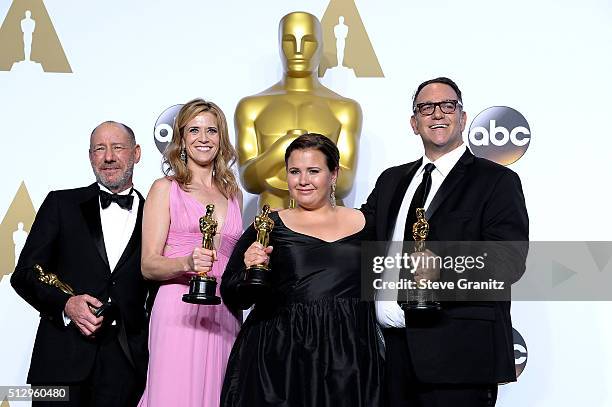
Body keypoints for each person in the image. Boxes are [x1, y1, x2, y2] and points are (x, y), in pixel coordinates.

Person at [361, 77, 529, 407]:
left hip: (459, 357)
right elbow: (358, 235)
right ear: (414, 122)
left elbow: (509, 261)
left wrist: (444, 269)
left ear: (463, 118)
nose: (437, 114)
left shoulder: (496, 181)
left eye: (447, 105)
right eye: (426, 107)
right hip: (389, 355)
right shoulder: (392, 179)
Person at [220, 133, 382, 407]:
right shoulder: (268, 225)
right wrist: (248, 270)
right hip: (281, 358)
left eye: (313, 171)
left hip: (351, 357)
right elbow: (233, 294)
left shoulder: (369, 224)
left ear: (334, 174)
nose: (303, 180)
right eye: (294, 171)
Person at [11, 121, 153, 406]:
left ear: (136, 153)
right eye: (100, 149)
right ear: (90, 156)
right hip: (59, 361)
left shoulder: (156, 214)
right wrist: (65, 304)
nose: (109, 156)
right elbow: (24, 274)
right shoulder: (61, 204)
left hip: (125, 367)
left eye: (118, 148)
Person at [138, 98, 242, 407]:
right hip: (179, 310)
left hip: (224, 310)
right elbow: (148, 265)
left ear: (221, 138)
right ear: (181, 138)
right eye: (194, 130)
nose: (204, 138)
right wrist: (186, 262)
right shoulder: (164, 188)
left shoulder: (232, 193)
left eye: (212, 130)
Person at [235, 11, 362, 209]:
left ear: (320, 47)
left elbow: (344, 183)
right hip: (272, 224)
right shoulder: (252, 106)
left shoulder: (344, 108)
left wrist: (278, 165)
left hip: (328, 226)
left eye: (308, 41)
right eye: (289, 41)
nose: (298, 50)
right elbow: (249, 180)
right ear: (279, 44)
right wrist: (283, 148)